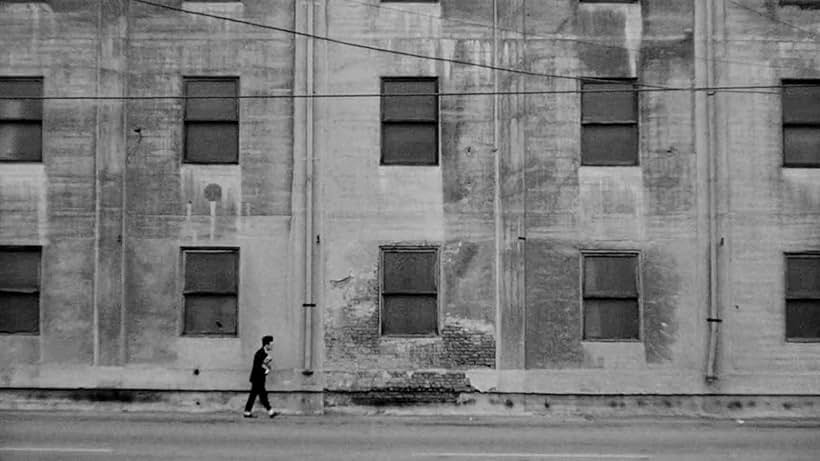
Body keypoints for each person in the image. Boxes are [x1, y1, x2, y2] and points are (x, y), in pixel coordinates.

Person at [243, 335, 278, 418]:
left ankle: (247, 412)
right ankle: (270, 411)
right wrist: (267, 369)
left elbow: (263, 365)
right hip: (257, 378)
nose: (272, 346)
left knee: (255, 395)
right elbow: (259, 366)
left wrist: (267, 366)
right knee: (261, 395)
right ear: (267, 345)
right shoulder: (260, 353)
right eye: (271, 344)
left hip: (258, 378)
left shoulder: (264, 353)